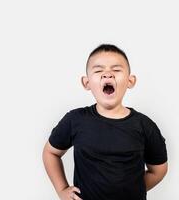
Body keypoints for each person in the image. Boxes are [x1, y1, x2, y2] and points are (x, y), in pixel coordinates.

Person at [42, 44, 168, 200]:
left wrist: (133, 188)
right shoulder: (75, 120)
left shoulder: (145, 125)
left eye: (116, 70)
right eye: (98, 70)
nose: (107, 74)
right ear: (86, 83)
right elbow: (50, 152)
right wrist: (62, 189)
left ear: (130, 81)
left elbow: (159, 170)